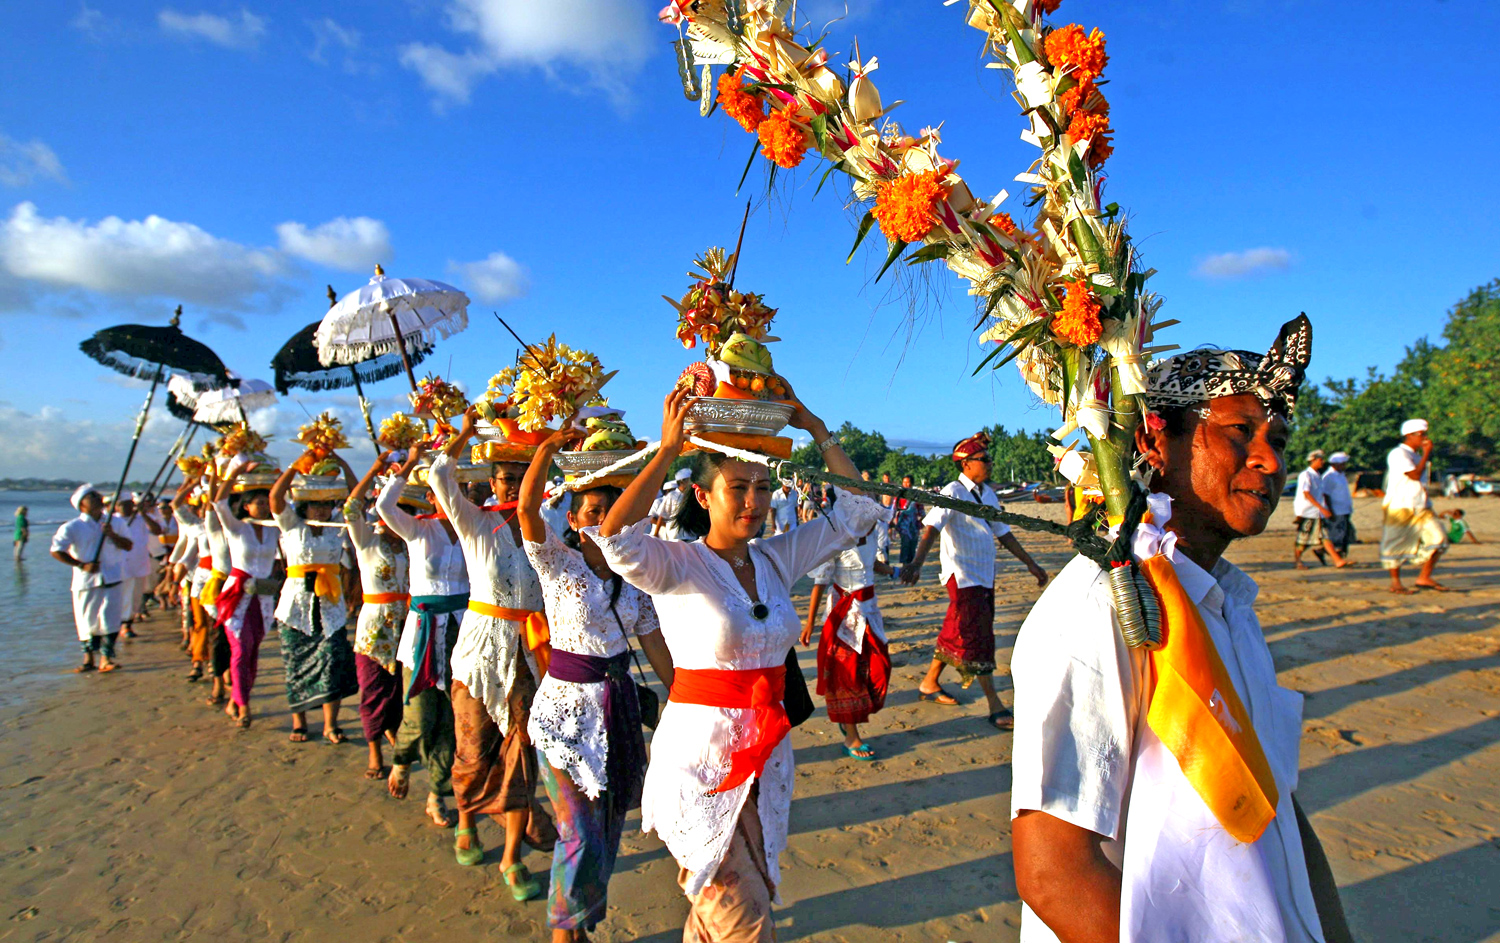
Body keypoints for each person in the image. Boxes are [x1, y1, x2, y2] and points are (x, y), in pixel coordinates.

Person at [1008, 317, 1354, 943]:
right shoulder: (1103, 605)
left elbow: (1274, 809)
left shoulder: (1229, 606)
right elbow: (1055, 872)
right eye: (1239, 432)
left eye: (1278, 437)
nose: (1271, 459)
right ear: (1154, 442)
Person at [592, 385, 885, 942]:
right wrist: (667, 453)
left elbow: (858, 512)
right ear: (703, 497)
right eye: (738, 488)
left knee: (725, 906)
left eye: (762, 487)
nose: (753, 501)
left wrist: (816, 426)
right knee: (741, 915)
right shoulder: (677, 563)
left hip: (768, 756)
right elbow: (616, 542)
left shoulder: (776, 557)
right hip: (701, 764)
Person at [519, 421, 676, 940]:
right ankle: (563, 930)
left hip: (618, 711)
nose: (602, 523)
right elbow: (524, 512)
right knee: (580, 832)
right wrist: (545, 449)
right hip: (563, 715)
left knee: (607, 827)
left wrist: (683, 702)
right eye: (592, 513)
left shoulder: (637, 581)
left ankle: (581, 921)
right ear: (573, 518)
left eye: (613, 513)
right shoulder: (556, 565)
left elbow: (656, 648)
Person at [423, 413, 556, 889]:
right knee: (475, 750)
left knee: (522, 754)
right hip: (480, 652)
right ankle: (465, 820)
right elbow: (439, 475)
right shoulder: (475, 523)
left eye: (524, 477)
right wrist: (464, 429)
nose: (515, 486)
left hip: (531, 651)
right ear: (492, 480)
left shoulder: (550, 522)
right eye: (505, 477)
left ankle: (512, 857)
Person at [900, 432, 1049, 730]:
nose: (990, 464)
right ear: (966, 464)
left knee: (957, 630)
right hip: (962, 575)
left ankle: (929, 682)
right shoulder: (953, 491)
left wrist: (1031, 563)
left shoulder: (987, 493)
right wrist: (916, 563)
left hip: (984, 575)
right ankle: (995, 703)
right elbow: (931, 528)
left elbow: (1003, 532)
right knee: (979, 638)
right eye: (984, 459)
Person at [375, 448, 466, 830]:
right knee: (419, 712)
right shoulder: (417, 528)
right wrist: (409, 463)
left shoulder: (473, 529)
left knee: (450, 719)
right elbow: (383, 505)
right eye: (441, 489)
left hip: (461, 630)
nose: (449, 494)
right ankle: (401, 760)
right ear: (430, 495)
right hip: (421, 631)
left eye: (456, 488)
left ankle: (437, 795)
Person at [268, 455, 360, 744]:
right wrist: (296, 466)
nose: (321, 509)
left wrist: (344, 464)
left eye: (325, 504)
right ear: (305, 505)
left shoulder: (336, 526)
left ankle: (330, 724)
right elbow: (275, 497)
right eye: (315, 504)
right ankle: (300, 722)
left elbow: (356, 502)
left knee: (332, 660)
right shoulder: (292, 525)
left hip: (331, 607)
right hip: (296, 606)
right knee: (295, 663)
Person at [800, 493, 893, 760]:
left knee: (879, 668)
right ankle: (851, 735)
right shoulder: (837, 540)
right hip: (844, 614)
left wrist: (895, 571)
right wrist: (809, 623)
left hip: (870, 609)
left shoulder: (873, 533)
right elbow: (820, 582)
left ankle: (851, 722)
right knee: (847, 674)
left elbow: (872, 564)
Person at [345, 453, 412, 781]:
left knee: (400, 689)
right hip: (374, 627)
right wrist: (373, 470)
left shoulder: (413, 542)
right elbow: (350, 509)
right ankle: (374, 750)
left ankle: (397, 740)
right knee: (372, 688)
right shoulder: (366, 540)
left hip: (406, 625)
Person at [212, 464, 282, 730]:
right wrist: (237, 470)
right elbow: (219, 502)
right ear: (246, 506)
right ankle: (244, 706)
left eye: (267, 502)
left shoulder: (274, 529)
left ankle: (237, 698)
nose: (264, 507)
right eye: (258, 503)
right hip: (237, 596)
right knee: (240, 651)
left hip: (262, 597)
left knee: (252, 653)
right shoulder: (237, 528)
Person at [50, 484, 132, 672]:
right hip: (87, 580)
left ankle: (106, 658)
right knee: (87, 621)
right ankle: (88, 659)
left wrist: (112, 534)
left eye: (97, 495)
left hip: (113, 576)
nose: (98, 498)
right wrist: (81, 564)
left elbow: (128, 545)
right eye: (91, 496)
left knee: (110, 619)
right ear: (82, 505)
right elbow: (56, 550)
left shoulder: (116, 523)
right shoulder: (72, 527)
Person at [1381, 418, 1449, 594]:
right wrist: (1427, 453)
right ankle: (1395, 583)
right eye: (1422, 435)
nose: (1425, 438)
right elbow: (1414, 475)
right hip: (1400, 506)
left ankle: (1424, 577)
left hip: (1421, 505)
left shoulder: (1416, 456)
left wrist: (1424, 455)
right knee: (1395, 543)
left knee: (1439, 538)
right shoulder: (1398, 454)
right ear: (1410, 435)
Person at [1292, 450, 1348, 569]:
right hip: (1307, 512)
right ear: (1314, 460)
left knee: (1324, 536)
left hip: (1316, 512)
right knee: (1303, 539)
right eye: (1320, 459)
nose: (1322, 462)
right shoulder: (1306, 475)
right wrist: (1322, 508)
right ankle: (1298, 561)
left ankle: (1337, 560)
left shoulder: (1317, 475)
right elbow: (1306, 493)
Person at [1321, 452, 1355, 558]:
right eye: (1342, 464)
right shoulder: (1329, 476)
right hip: (1336, 510)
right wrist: (1330, 510)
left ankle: (1339, 555)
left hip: (1345, 509)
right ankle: (1335, 555)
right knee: (1337, 535)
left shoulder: (1341, 475)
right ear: (1335, 464)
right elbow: (1325, 494)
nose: (1344, 466)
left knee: (1345, 535)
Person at [650, 468, 693, 540]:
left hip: (690, 535)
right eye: (689, 480)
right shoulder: (672, 496)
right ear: (682, 482)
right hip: (675, 535)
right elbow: (662, 515)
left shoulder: (692, 495)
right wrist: (656, 533)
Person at [893, 476, 924, 568]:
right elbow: (894, 510)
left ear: (912, 484)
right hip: (903, 526)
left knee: (912, 546)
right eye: (904, 482)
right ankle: (905, 567)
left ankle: (910, 567)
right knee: (905, 545)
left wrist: (919, 524)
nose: (906, 484)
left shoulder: (917, 497)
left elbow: (922, 513)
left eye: (908, 482)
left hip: (914, 527)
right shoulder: (899, 496)